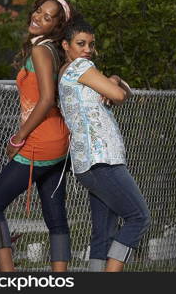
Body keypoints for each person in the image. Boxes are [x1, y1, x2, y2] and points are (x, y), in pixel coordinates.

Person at [0, 0, 74, 272]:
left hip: (41, 142)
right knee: (56, 218)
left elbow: (45, 100)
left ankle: (8, 276)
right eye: (38, 11)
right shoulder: (54, 50)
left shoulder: (41, 51)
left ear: (57, 25)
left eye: (48, 16)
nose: (38, 17)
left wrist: (17, 138)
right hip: (59, 141)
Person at [58, 17, 151, 272]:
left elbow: (122, 92)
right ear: (65, 45)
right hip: (102, 160)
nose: (87, 49)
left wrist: (114, 78)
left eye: (91, 44)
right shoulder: (80, 67)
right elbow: (120, 95)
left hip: (90, 163)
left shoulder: (75, 72)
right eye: (80, 43)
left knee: (103, 233)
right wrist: (113, 85)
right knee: (138, 217)